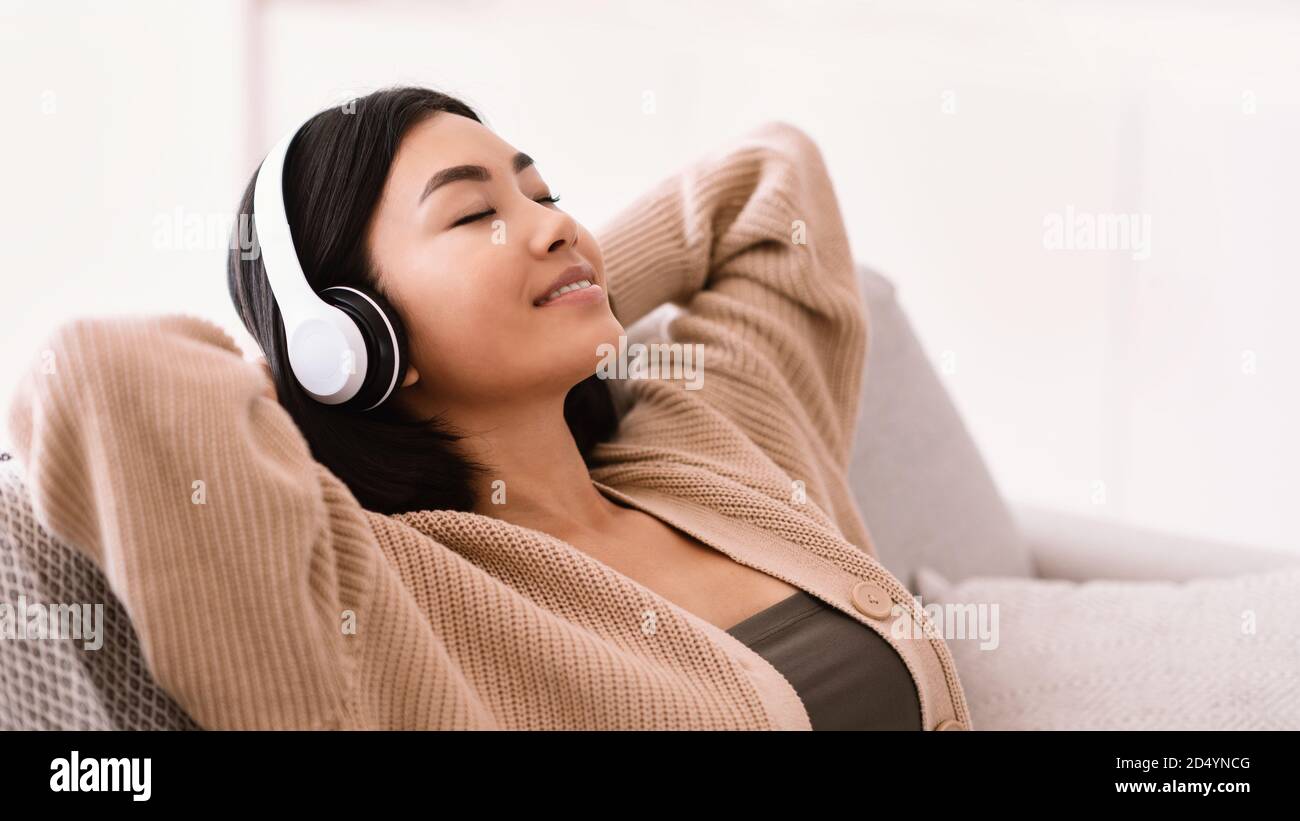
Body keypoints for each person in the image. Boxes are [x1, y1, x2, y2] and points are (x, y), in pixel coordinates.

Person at [6, 85, 971, 730]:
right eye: (474, 215)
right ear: (354, 328)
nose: (554, 223)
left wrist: (570, 285)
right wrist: (329, 374)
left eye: (546, 193)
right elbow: (95, 374)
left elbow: (770, 183)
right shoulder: (373, 589)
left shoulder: (698, 435)